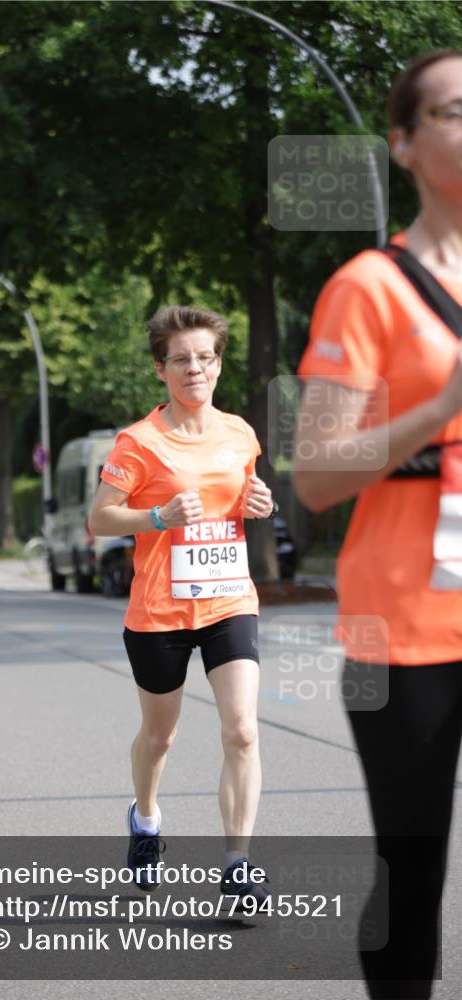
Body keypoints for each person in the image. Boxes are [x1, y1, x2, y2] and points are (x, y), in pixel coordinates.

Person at [294, 51, 462, 1000]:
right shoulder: (369, 286)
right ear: (401, 143)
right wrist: (440, 405)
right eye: (453, 111)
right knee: (413, 869)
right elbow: (314, 476)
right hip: (399, 630)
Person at [88, 304, 276, 900]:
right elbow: (98, 519)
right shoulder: (138, 443)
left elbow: (243, 493)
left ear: (218, 365)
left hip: (228, 602)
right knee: (160, 737)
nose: (195, 368)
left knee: (242, 731)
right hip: (159, 612)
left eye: (205, 357)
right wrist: (156, 516)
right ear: (160, 370)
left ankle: (238, 866)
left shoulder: (240, 433)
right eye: (181, 360)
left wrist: (258, 502)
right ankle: (145, 820)